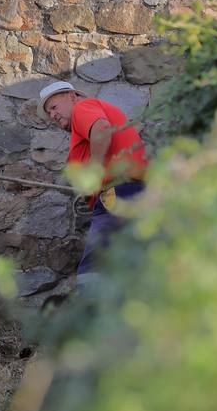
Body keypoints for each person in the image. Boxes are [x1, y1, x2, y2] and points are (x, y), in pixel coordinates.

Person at [38, 81, 149, 284]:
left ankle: (89, 311)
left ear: (72, 96)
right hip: (132, 192)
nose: (52, 115)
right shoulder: (88, 116)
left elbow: (102, 128)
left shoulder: (82, 107)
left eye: (54, 107)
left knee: (93, 270)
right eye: (49, 113)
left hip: (118, 193)